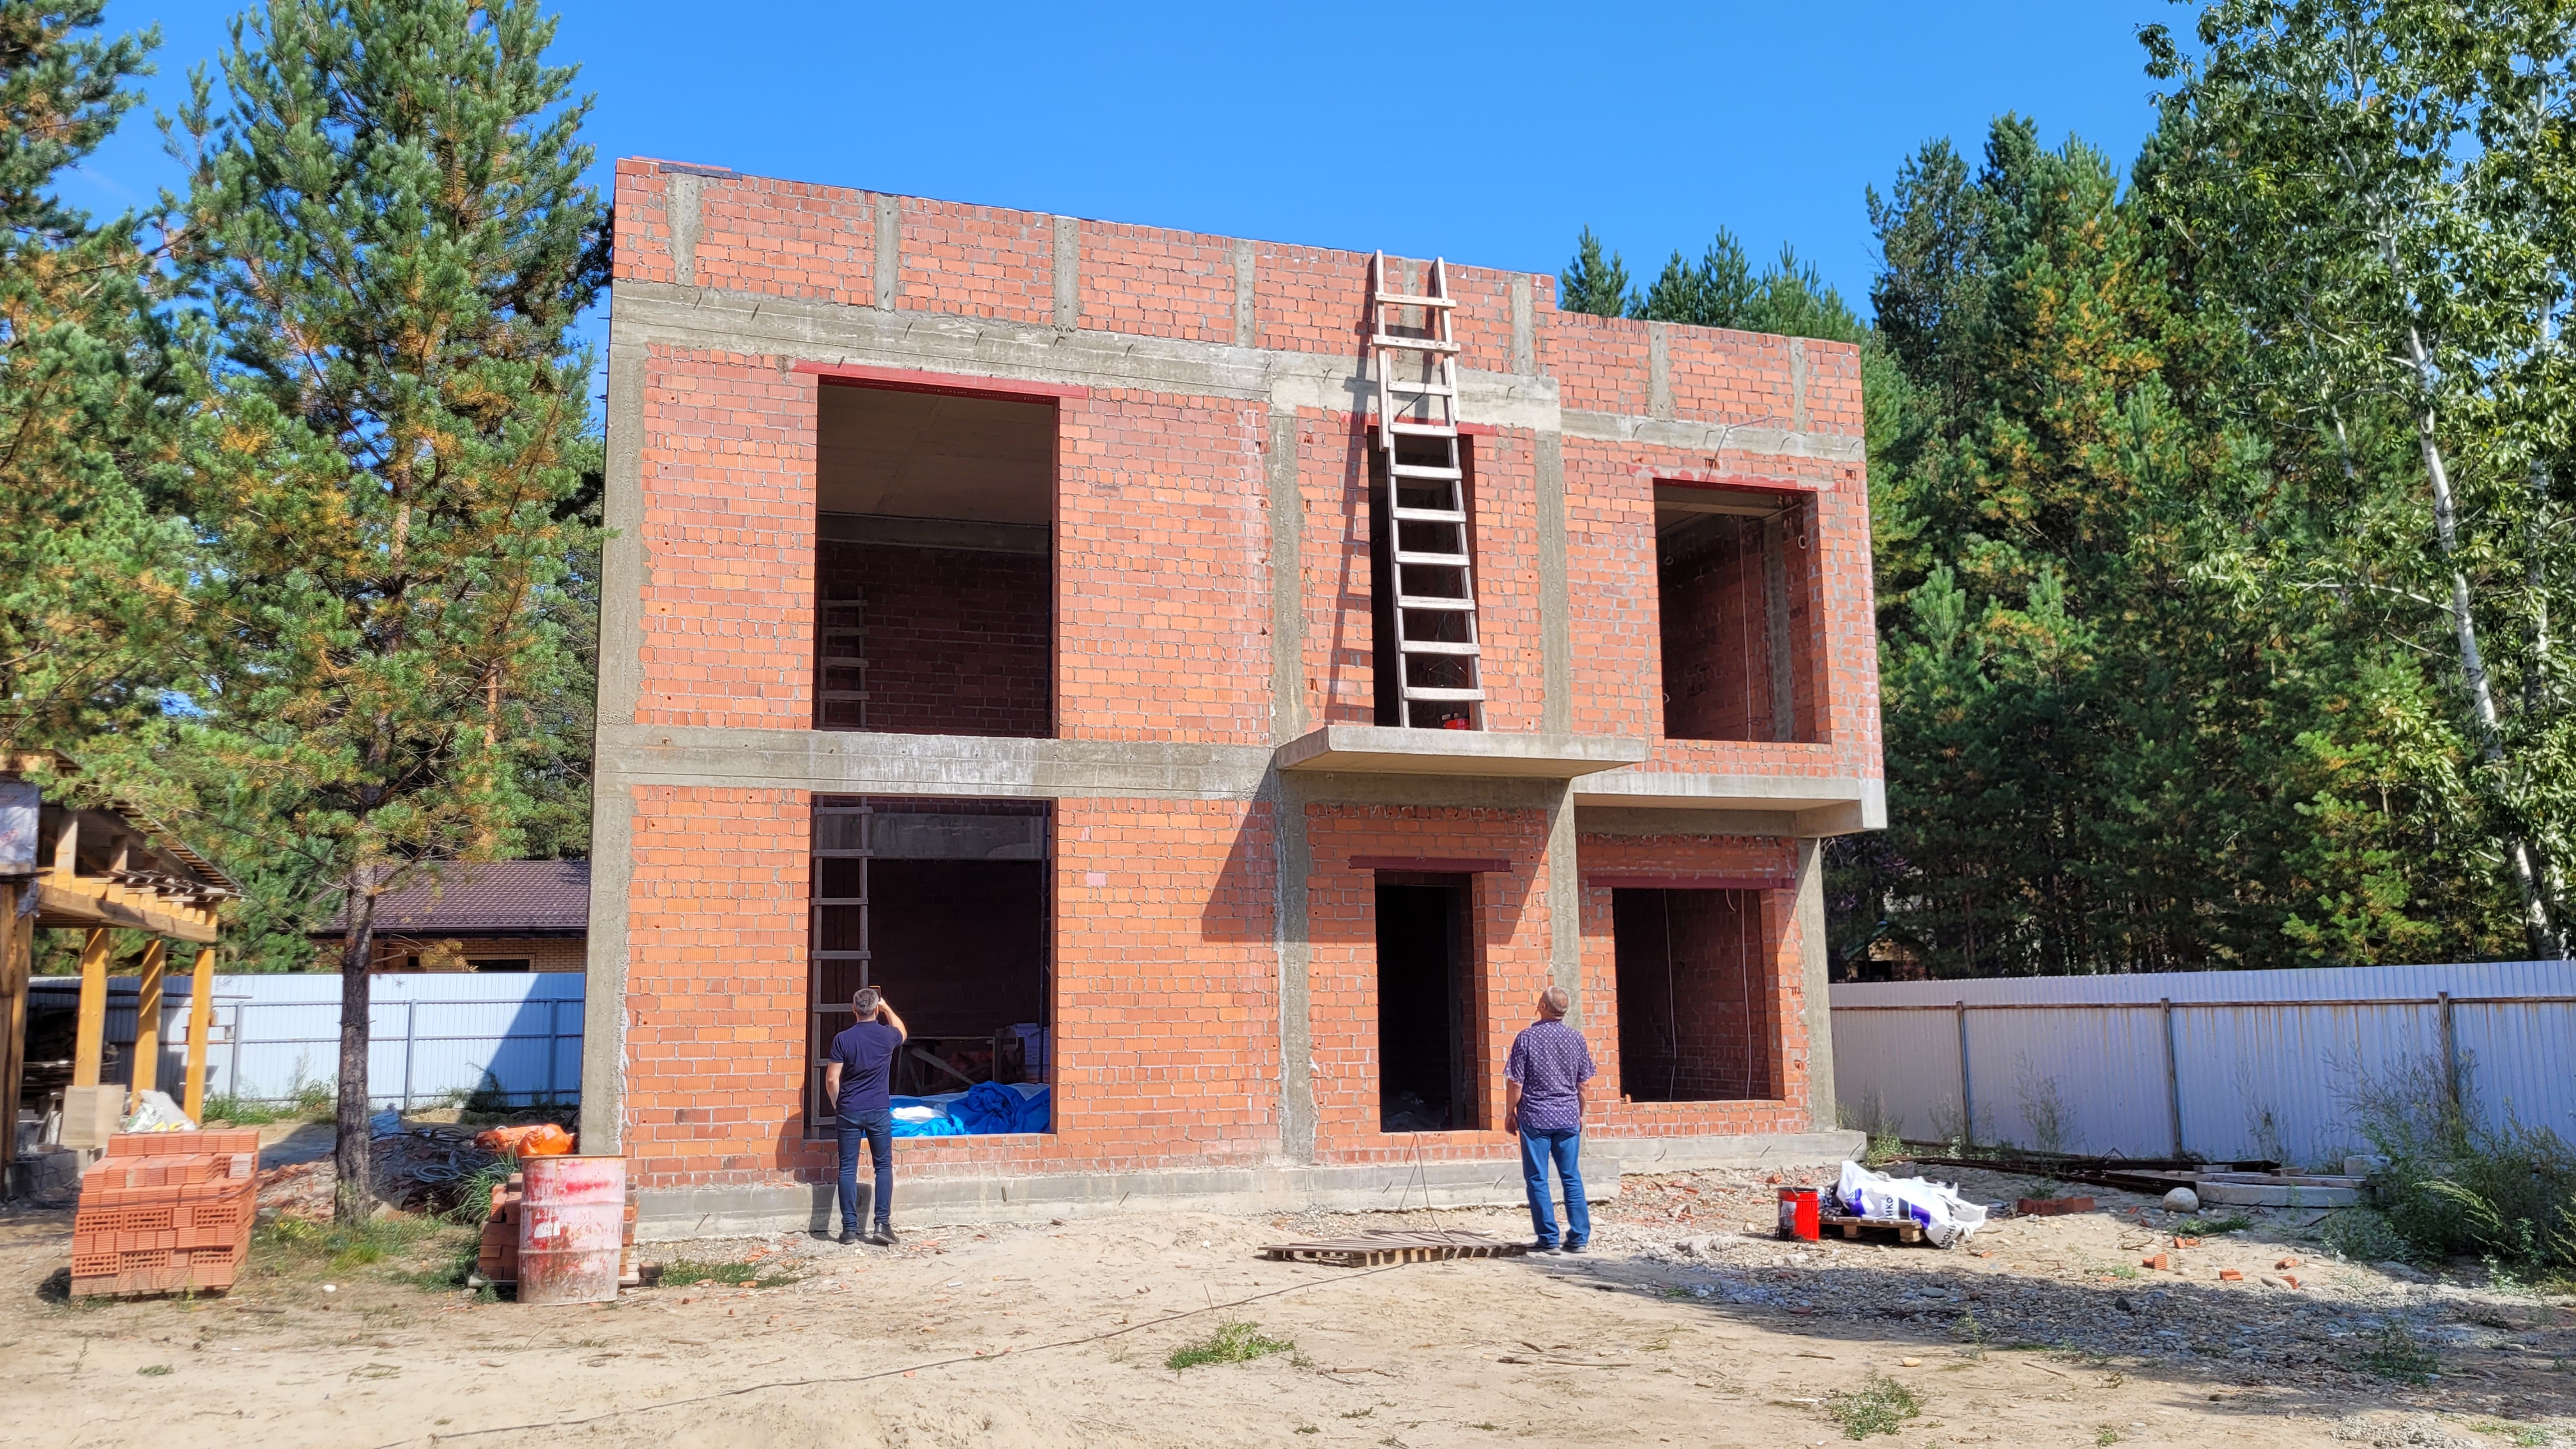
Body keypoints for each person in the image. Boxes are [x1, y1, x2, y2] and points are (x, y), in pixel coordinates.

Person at [1503, 985, 1595, 1254]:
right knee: (1571, 1177)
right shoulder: (1576, 1039)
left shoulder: (1527, 1038)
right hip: (1567, 1117)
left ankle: (1548, 1238)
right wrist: (1580, 1113)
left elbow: (1515, 1083)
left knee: (1537, 1178)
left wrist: (1510, 1112)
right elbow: (1584, 1084)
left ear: (1543, 1007)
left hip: (1535, 1118)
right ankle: (1579, 1238)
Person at [822, 986, 908, 1245]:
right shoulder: (887, 1035)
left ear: (854, 1009)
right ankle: (882, 1224)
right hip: (878, 1109)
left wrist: (837, 1103)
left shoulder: (843, 1039)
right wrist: (887, 1007)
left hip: (849, 1109)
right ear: (876, 1009)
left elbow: (832, 1079)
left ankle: (849, 1229)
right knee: (882, 1166)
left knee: (848, 1168)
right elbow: (903, 1032)